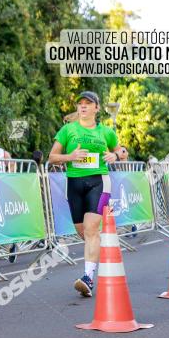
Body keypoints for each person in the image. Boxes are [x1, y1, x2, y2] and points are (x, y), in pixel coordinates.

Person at [48, 91, 118, 297]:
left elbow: (122, 151)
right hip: (74, 183)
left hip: (99, 181)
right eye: (80, 104)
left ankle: (88, 277)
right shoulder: (67, 130)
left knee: (90, 229)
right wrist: (71, 156)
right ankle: (100, 255)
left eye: (88, 103)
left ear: (97, 108)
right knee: (84, 232)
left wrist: (115, 154)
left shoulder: (106, 132)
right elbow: (52, 157)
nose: (83, 106)